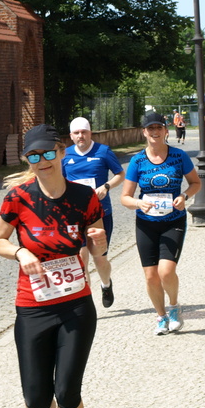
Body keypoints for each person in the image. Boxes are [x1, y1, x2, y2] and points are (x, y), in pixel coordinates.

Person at [0, 124, 106, 408]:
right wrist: (20, 251)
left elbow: (96, 245)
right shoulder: (18, 198)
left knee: (68, 389)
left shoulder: (84, 197)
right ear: (29, 159)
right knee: (36, 397)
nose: (41, 162)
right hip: (33, 307)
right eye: (33, 157)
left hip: (75, 305)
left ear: (60, 152)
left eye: (47, 154)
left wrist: (99, 244)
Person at [120, 112, 201, 335]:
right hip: (146, 223)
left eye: (159, 128)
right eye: (150, 128)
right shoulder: (137, 160)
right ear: (143, 132)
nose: (155, 132)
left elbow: (195, 183)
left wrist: (184, 196)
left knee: (166, 271)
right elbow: (124, 197)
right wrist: (138, 203)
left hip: (172, 220)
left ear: (166, 130)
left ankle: (174, 307)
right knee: (150, 275)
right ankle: (160, 316)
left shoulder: (178, 156)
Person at [62, 117, 125, 308]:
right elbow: (59, 181)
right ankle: (85, 302)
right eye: (77, 133)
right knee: (81, 257)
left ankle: (106, 284)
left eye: (84, 132)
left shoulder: (103, 151)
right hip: (75, 215)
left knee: (99, 258)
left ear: (90, 133)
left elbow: (120, 174)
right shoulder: (65, 155)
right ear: (71, 136)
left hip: (100, 213)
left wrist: (106, 186)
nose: (81, 136)